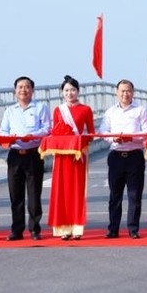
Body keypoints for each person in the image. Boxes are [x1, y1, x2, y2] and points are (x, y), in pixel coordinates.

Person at [1, 76, 51, 241]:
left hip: (33, 154)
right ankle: (17, 230)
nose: (23, 90)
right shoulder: (10, 111)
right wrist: (10, 137)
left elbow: (47, 128)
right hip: (15, 155)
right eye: (20, 87)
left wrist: (33, 135)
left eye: (27, 87)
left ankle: (35, 229)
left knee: (34, 194)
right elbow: (3, 132)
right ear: (15, 91)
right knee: (15, 195)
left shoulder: (40, 107)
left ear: (32, 90)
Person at [101, 79, 147, 239]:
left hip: (134, 155)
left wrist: (132, 139)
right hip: (116, 156)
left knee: (134, 194)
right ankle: (113, 228)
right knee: (114, 194)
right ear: (117, 93)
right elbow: (103, 130)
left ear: (133, 92)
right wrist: (113, 138)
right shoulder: (110, 112)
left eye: (128, 90)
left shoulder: (141, 110)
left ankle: (133, 229)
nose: (125, 94)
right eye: (122, 91)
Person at [48, 75, 94, 240]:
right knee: (62, 190)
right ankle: (62, 229)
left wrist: (79, 141)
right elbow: (55, 132)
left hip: (78, 154)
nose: (70, 93)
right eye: (66, 90)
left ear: (78, 91)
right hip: (61, 156)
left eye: (72, 90)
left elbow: (91, 133)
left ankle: (76, 228)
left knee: (77, 190)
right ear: (62, 93)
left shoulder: (85, 109)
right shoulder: (58, 110)